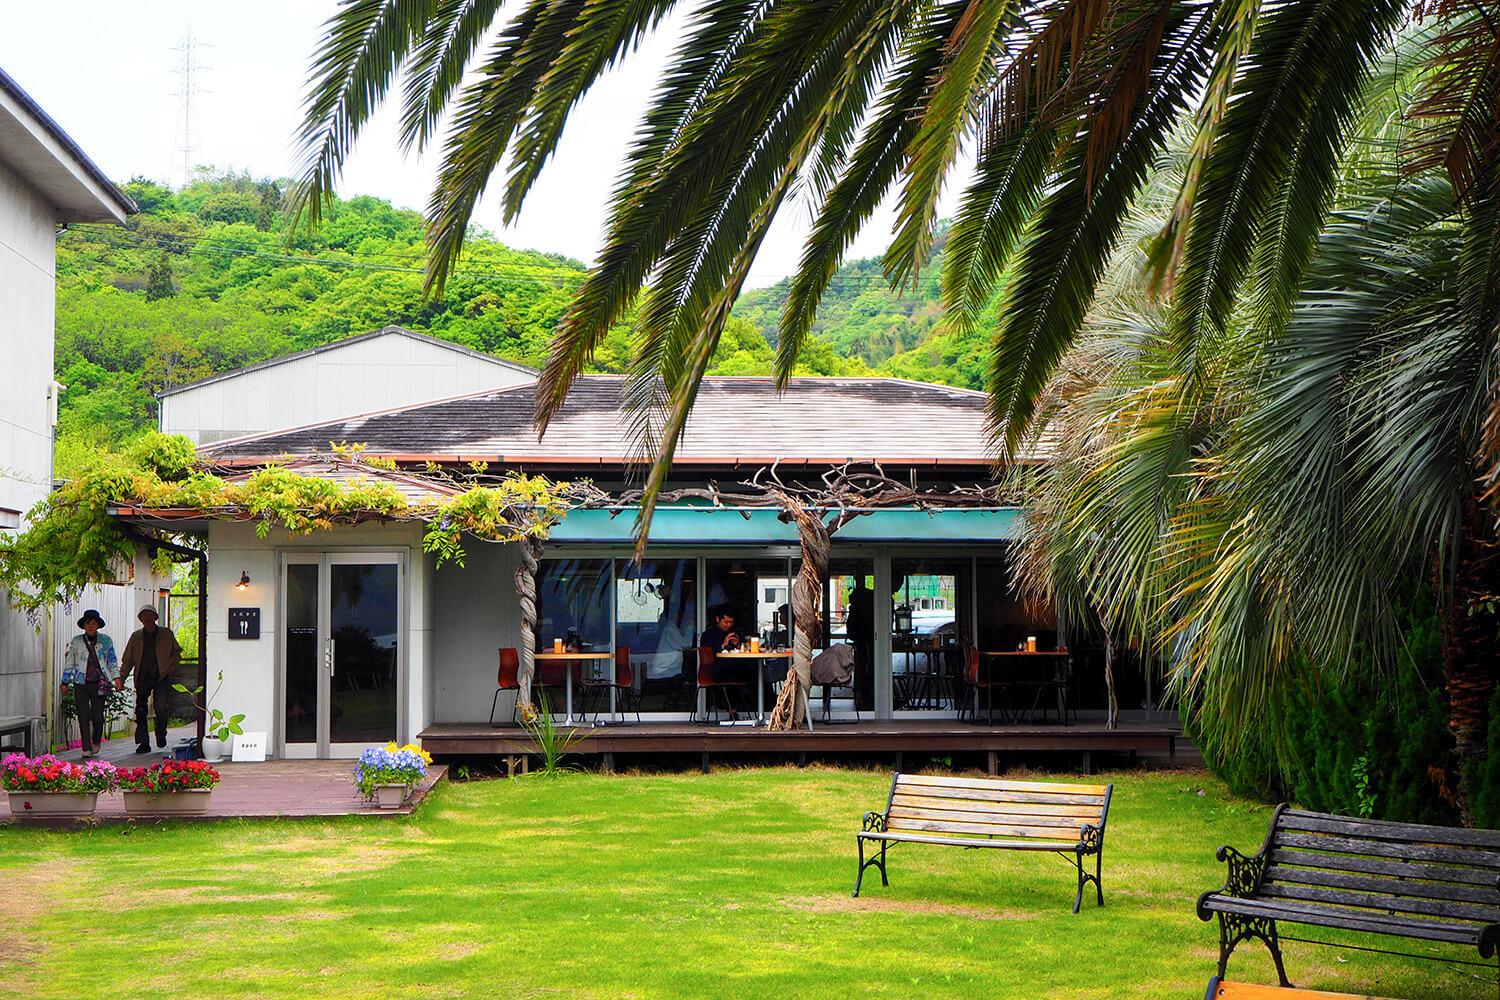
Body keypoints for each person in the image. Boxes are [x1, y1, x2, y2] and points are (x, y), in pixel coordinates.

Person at [118, 604, 183, 754]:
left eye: (150, 615)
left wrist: (171, 667)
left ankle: (161, 733)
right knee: (140, 710)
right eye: (144, 615)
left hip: (162, 676)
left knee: (161, 707)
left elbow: (177, 652)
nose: (147, 618)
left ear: (155, 617)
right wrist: (121, 678)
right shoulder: (136, 637)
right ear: (140, 619)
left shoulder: (166, 634)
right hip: (142, 676)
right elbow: (127, 660)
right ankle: (143, 742)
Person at [63, 610, 117, 758]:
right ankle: (86, 748)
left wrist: (116, 677)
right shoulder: (76, 641)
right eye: (88, 623)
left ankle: (96, 741)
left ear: (98, 625)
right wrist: (65, 681)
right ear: (84, 625)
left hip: (99, 682)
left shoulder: (106, 641)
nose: (91, 626)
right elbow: (70, 662)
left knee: (98, 716)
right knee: (83, 715)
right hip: (81, 682)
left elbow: (112, 661)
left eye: (93, 623)